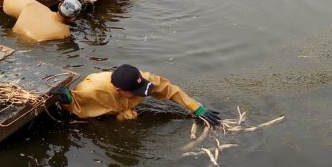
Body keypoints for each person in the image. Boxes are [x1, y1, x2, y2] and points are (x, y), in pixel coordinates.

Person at [55, 64, 221, 125]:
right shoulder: (93, 88)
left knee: (128, 117)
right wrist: (67, 101)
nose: (141, 94)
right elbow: (75, 105)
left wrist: (196, 108)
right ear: (119, 90)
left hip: (124, 108)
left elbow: (170, 90)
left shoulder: (144, 79)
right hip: (105, 107)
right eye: (135, 93)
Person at [2, 0, 82, 42]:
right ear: (72, 18)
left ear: (59, 5)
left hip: (9, 38)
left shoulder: (34, 6)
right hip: (30, 51)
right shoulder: (64, 33)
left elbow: (6, 4)